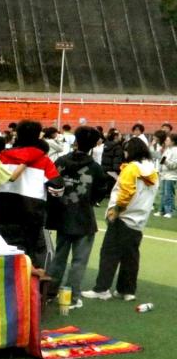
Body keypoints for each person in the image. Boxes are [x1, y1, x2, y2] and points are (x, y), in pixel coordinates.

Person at [83, 138, 158, 302]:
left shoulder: (131, 168)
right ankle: (127, 290)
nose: (124, 153)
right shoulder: (153, 170)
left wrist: (115, 211)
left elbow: (126, 192)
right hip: (139, 219)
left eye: (125, 150)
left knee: (109, 253)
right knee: (130, 256)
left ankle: (102, 288)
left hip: (123, 216)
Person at [45, 126, 110, 306]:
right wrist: (88, 200)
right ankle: (72, 297)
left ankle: (50, 293)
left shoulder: (60, 161)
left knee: (59, 257)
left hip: (62, 216)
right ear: (94, 145)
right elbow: (100, 192)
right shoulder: (95, 168)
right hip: (84, 218)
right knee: (79, 262)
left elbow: (50, 183)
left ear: (75, 141)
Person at [0, 120, 62, 268]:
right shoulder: (44, 160)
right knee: (31, 253)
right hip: (32, 212)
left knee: (4, 251)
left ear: (17, 134)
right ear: (38, 136)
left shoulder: (2, 156)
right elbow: (57, 188)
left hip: (4, 210)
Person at [158, 133, 177, 218]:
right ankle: (162, 211)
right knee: (162, 194)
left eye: (167, 140)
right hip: (164, 175)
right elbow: (162, 161)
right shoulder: (167, 150)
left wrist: (165, 161)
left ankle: (169, 211)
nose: (165, 141)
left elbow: (174, 165)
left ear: (173, 142)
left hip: (171, 176)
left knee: (168, 194)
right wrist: (160, 169)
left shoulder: (176, 151)